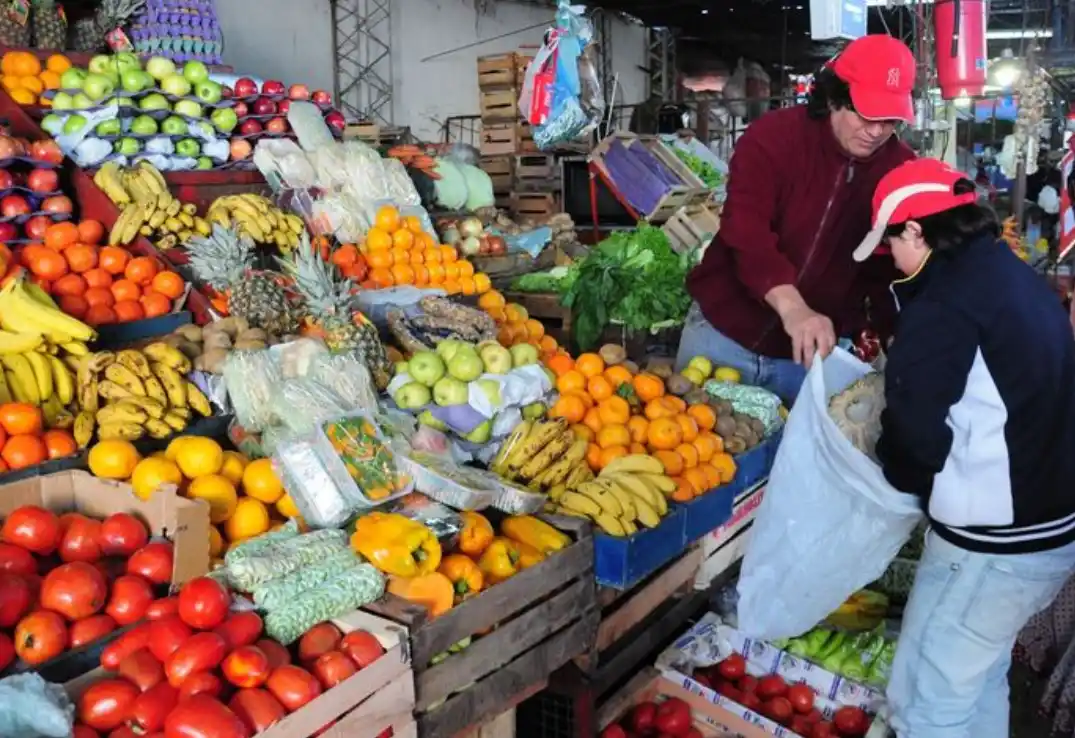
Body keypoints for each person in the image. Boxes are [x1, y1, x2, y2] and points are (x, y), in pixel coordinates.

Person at [854, 157, 1075, 738]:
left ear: (916, 231)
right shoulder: (1008, 274)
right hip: (1046, 530)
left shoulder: (945, 304)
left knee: (927, 702)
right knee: (977, 681)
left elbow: (915, 434)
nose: (890, 259)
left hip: (991, 546)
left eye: (891, 244)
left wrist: (891, 472)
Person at [677, 34, 916, 404]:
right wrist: (793, 307)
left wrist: (889, 332)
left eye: (889, 120)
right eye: (866, 115)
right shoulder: (772, 137)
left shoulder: (900, 169)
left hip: (811, 358)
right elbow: (746, 230)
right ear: (835, 97)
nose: (876, 131)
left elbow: (888, 268)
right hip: (721, 336)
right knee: (688, 437)